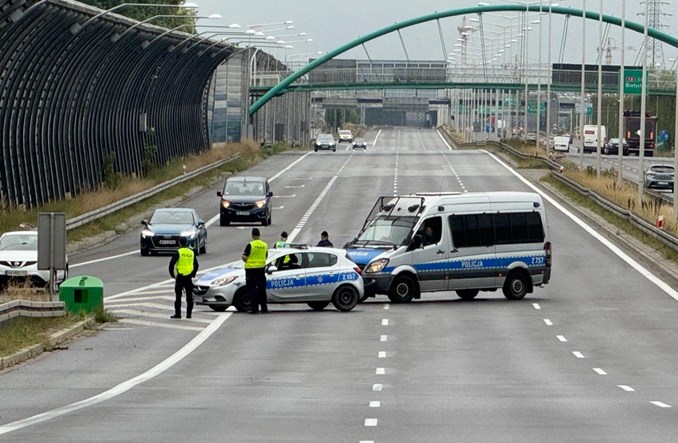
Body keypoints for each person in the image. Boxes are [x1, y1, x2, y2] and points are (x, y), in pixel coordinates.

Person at [168, 237, 198, 319]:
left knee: (178, 296)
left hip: (180, 277)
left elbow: (171, 264)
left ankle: (178, 314)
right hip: (188, 277)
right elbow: (196, 265)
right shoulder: (191, 252)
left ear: (180, 243)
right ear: (187, 243)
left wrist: (172, 275)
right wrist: (193, 274)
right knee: (189, 297)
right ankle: (189, 314)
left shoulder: (178, 252)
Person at [242, 228, 268, 314]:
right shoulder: (264, 245)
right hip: (261, 269)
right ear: (259, 235)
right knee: (262, 290)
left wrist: (249, 261)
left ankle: (254, 308)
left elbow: (244, 257)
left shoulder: (250, 245)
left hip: (251, 270)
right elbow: (266, 256)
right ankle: (264, 308)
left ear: (252, 235)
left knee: (252, 290)